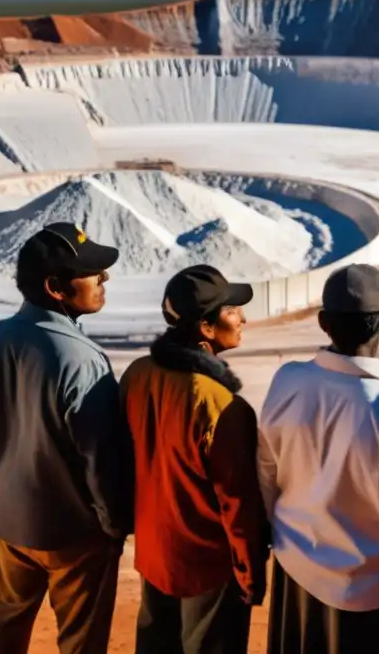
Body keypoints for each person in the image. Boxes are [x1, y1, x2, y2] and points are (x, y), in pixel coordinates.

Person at [0, 221, 133, 654]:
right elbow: (100, 458)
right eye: (92, 273)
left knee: (5, 628)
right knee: (80, 643)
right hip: (73, 535)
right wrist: (113, 527)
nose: (102, 279)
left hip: (8, 524)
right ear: (57, 287)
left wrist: (1, 486)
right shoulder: (83, 360)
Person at [257, 263, 379, 654]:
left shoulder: (287, 381)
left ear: (324, 322)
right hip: (376, 589)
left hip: (298, 578)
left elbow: (265, 476)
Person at [119, 264, 269, 654]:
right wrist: (250, 575)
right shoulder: (223, 406)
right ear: (206, 327)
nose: (243, 319)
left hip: (154, 553)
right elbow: (236, 502)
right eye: (233, 311)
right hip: (208, 565)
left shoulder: (137, 375)